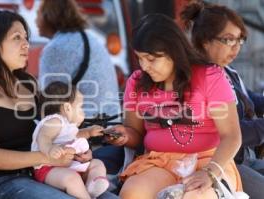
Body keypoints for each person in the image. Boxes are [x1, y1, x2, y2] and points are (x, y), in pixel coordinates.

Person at [0, 10, 118, 199]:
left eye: (26, 38)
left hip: (46, 173)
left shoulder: (28, 83)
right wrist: (48, 157)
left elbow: (50, 129)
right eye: (16, 37)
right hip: (3, 183)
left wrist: (75, 152)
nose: (26, 44)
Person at [106, 14, 243, 199]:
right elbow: (135, 134)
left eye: (151, 59)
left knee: (194, 197)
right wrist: (123, 135)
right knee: (132, 194)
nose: (144, 66)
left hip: (209, 161)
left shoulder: (210, 77)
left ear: (174, 52)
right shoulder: (137, 82)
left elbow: (232, 136)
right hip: (160, 161)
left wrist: (210, 173)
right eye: (140, 58)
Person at [181, 2, 264, 198]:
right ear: (204, 41)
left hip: (244, 157)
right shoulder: (200, 78)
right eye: (228, 40)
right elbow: (227, 132)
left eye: (240, 40)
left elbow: (249, 101)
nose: (236, 48)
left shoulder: (225, 70)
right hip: (220, 161)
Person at [36, 0, 121, 118]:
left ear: (49, 16)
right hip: (111, 122)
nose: (36, 21)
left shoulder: (56, 48)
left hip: (89, 126)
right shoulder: (86, 37)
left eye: (38, 14)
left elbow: (47, 104)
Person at [32, 81, 109, 199]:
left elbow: (76, 135)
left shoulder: (67, 126)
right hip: (48, 168)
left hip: (68, 165)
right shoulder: (54, 121)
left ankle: (92, 186)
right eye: (80, 107)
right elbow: (43, 137)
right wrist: (50, 149)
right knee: (72, 179)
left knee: (97, 164)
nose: (83, 112)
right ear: (67, 107)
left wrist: (89, 132)